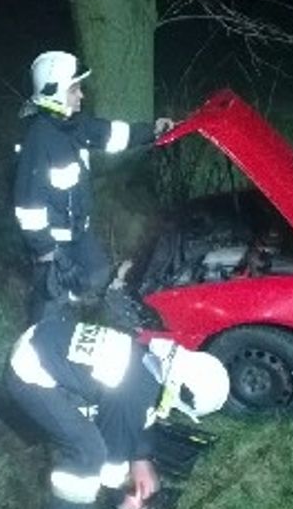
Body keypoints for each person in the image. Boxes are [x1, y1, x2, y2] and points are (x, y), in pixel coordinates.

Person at [4, 310, 231, 509]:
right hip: (28, 371)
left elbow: (142, 414)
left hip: (44, 339)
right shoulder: (131, 393)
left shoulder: (152, 364)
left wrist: (141, 460)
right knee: (88, 450)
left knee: (91, 424)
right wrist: (122, 500)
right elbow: (110, 457)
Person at [12, 50, 175, 321]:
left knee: (98, 274)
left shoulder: (74, 125)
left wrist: (153, 131)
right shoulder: (39, 141)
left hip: (79, 233)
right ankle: (43, 337)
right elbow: (28, 209)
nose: (81, 96)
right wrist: (48, 254)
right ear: (55, 93)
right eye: (74, 90)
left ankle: (76, 310)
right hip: (53, 245)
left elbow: (112, 134)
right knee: (50, 301)